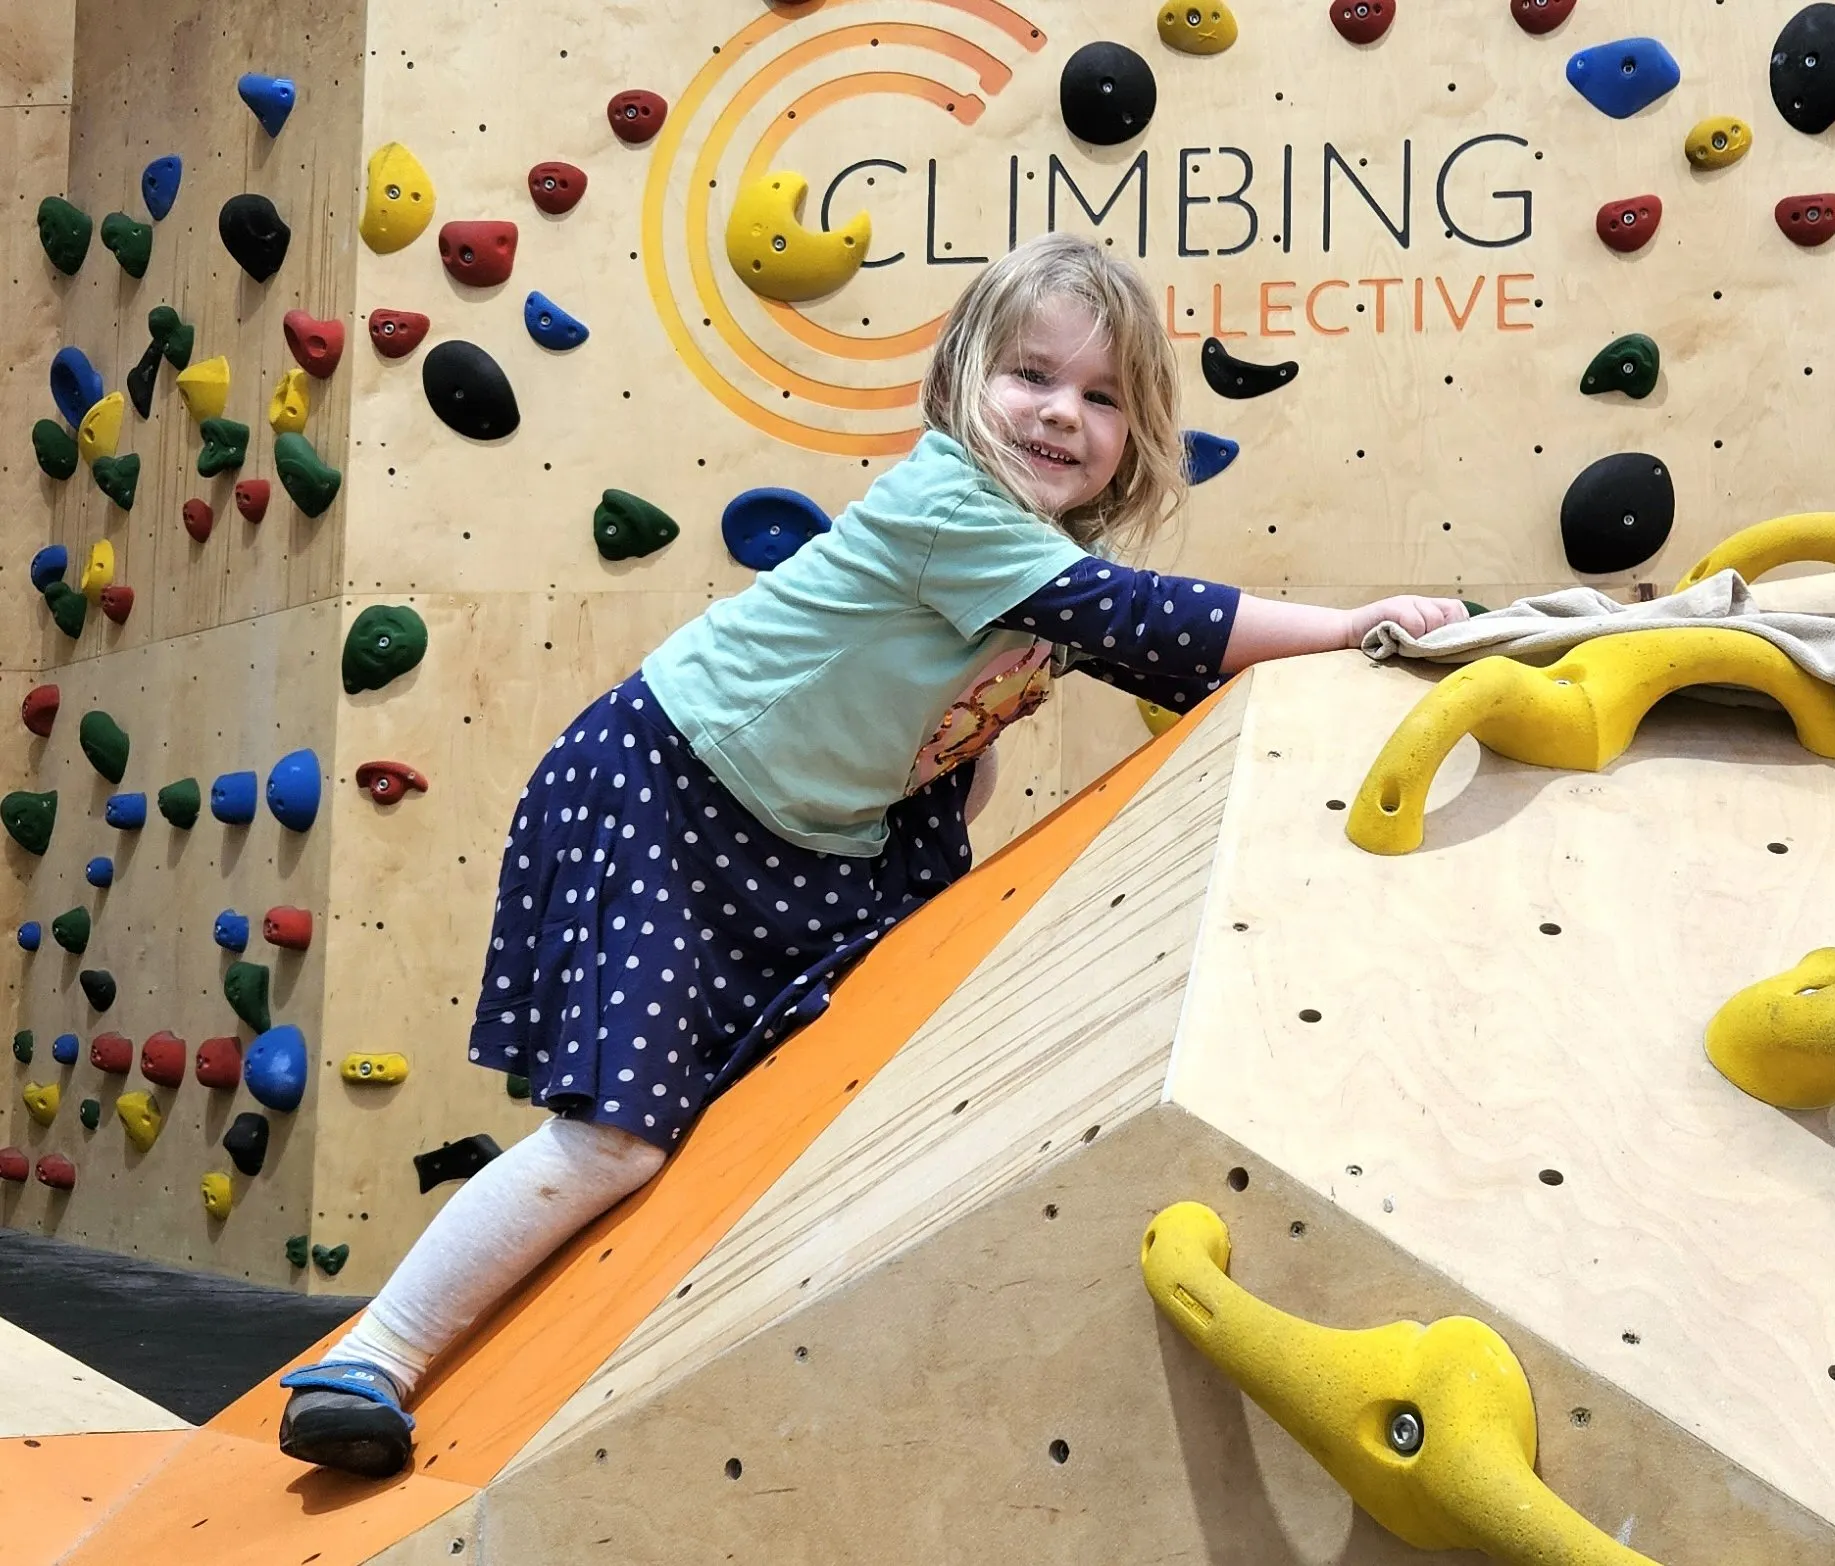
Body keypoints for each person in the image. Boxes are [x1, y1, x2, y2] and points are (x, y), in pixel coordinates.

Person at [276, 233, 1468, 1477]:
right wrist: (1346, 626)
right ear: (960, 381)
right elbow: (1148, 625)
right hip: (670, 790)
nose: (1062, 413)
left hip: (811, 842)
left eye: (1101, 396)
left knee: (817, 1083)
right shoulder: (949, 504)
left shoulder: (1034, 569)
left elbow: (1004, 707)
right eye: (1030, 376)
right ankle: (373, 1357)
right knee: (617, 1138)